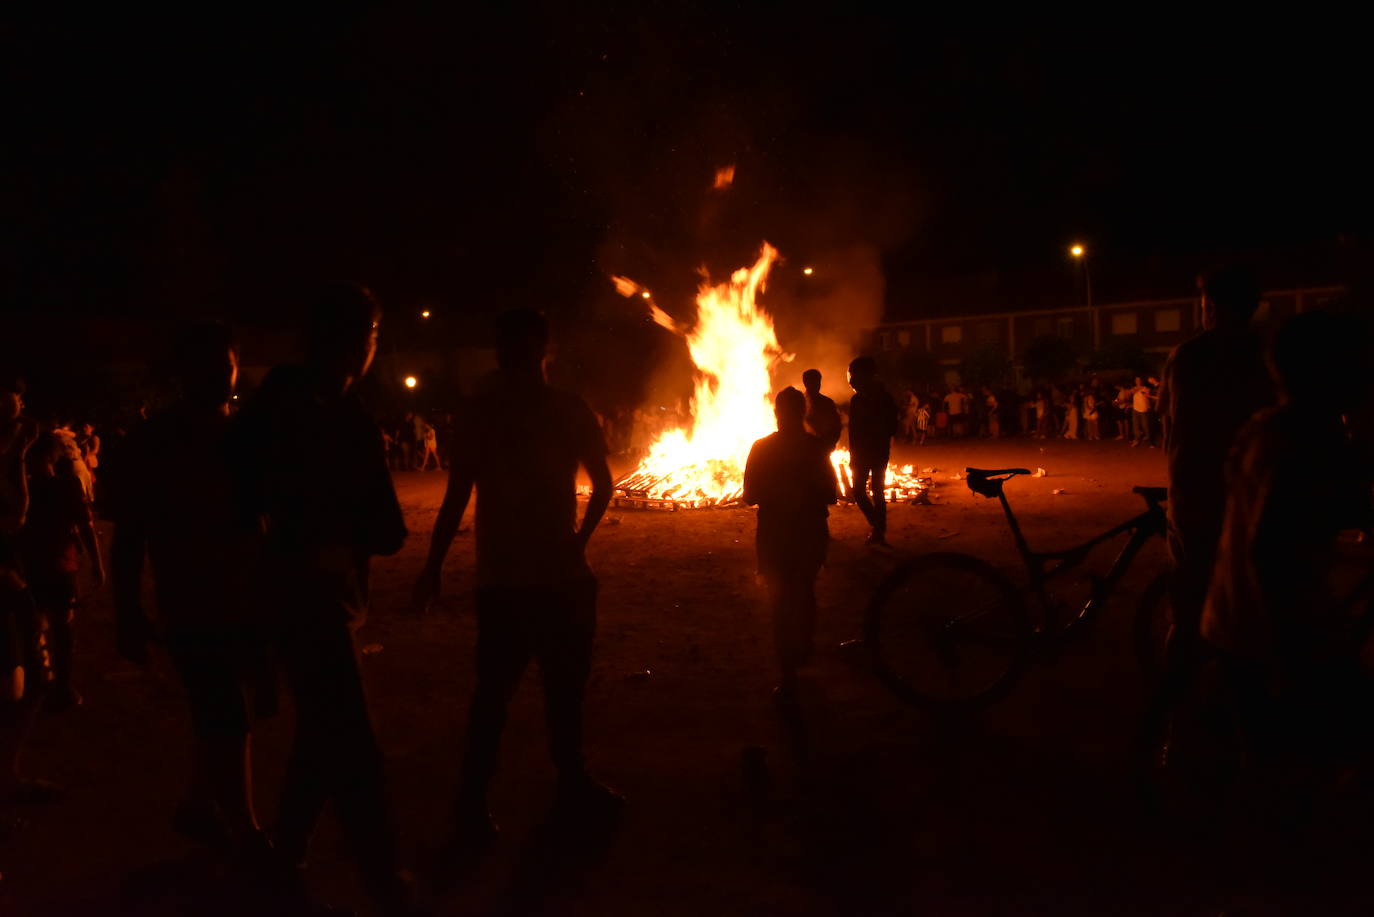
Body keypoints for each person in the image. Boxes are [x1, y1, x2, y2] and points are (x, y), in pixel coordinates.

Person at [413, 309, 620, 859]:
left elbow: (459, 494)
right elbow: (602, 487)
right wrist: (577, 542)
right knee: (538, 693)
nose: (517, 359)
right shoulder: (560, 410)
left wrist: (434, 567)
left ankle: (498, 800)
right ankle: (512, 796)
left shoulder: (487, 413)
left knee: (512, 695)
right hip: (537, 576)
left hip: (520, 576)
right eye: (513, 350)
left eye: (517, 350)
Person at [233, 284, 414, 913]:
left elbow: (386, 527)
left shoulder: (326, 407)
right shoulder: (305, 408)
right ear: (352, 340)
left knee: (320, 734)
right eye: (370, 337)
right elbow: (245, 502)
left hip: (324, 597)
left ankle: (286, 854)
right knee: (355, 743)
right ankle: (382, 875)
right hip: (306, 602)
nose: (372, 349)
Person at [109, 323, 272, 862]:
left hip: (245, 595)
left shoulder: (245, 434)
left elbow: (262, 520)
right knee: (227, 713)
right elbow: (131, 532)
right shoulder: (155, 441)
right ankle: (246, 832)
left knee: (226, 709)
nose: (216, 375)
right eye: (204, 365)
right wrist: (128, 609)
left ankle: (199, 805)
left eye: (223, 363)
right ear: (183, 374)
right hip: (191, 601)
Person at [1201, 311, 1374, 775]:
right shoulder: (1309, 440)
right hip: (1271, 634)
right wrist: (1292, 654)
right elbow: (1270, 549)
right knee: (1306, 760)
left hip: (1231, 615)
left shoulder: (1265, 425)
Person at [1157, 266, 1275, 667]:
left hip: (1196, 498)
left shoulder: (1189, 357)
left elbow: (1171, 428)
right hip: (1255, 500)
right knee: (1251, 606)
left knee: (1188, 609)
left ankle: (1176, 708)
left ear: (1210, 307)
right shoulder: (1267, 356)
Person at [744, 387, 838, 702]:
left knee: (780, 600)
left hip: (775, 533)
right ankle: (805, 649)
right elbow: (831, 495)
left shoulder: (761, 448)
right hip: (810, 530)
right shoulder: (816, 448)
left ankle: (787, 675)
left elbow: (749, 496)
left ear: (776, 413)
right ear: (803, 413)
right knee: (806, 590)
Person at [2, 376, 58, 806]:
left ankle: (8, 773)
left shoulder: (17, 455)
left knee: (35, 680)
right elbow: (13, 519)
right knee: (19, 685)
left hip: (15, 580)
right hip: (6, 583)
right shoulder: (12, 457)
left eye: (16, 405)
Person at [20, 431, 102, 712]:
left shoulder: (47, 488)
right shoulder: (43, 488)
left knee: (51, 625)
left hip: (51, 563)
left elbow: (85, 525)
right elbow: (85, 526)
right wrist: (97, 564)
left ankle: (55, 684)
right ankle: (53, 684)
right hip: (50, 564)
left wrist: (97, 562)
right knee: (51, 626)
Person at [846, 357, 897, 547]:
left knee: (877, 491)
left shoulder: (883, 398)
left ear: (866, 375)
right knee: (859, 491)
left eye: (854, 374)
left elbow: (892, 425)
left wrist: (877, 436)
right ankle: (878, 526)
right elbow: (853, 431)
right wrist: (853, 455)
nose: (851, 379)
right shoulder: (856, 399)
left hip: (876, 452)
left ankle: (878, 530)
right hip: (862, 454)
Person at [801, 369, 842, 452]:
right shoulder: (799, 402)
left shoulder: (827, 403)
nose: (817, 385)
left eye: (818, 381)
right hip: (805, 449)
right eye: (813, 381)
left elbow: (836, 426)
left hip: (824, 448)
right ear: (805, 383)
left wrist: (829, 444)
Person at [1129, 376, 1154, 446]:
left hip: (1144, 409)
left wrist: (1138, 389)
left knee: (1146, 426)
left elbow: (1148, 395)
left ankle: (1150, 441)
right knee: (1135, 426)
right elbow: (1129, 393)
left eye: (1139, 380)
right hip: (1135, 409)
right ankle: (1137, 440)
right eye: (1136, 380)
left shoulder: (1145, 388)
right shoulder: (1133, 388)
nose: (1137, 381)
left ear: (1141, 381)